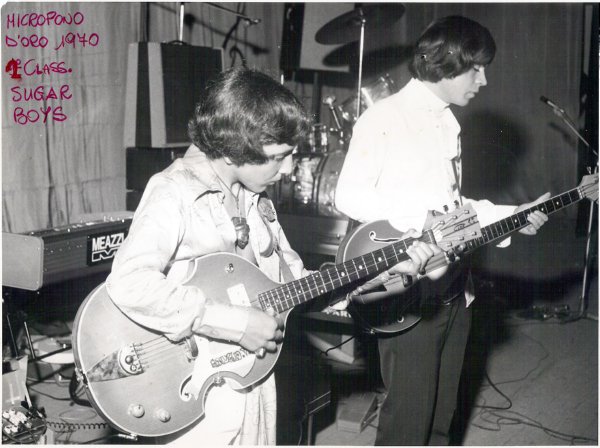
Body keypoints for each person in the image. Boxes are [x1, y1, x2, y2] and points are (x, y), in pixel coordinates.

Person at [105, 67, 438, 445]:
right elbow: (129, 282)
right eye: (278, 157)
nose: (289, 169)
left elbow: (297, 286)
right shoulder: (173, 191)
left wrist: (383, 270)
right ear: (232, 150)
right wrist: (232, 322)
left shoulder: (255, 198)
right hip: (191, 383)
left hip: (253, 378)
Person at [335, 16, 549, 445]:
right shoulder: (384, 118)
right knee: (408, 421)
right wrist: (420, 219)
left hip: (454, 287)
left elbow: (456, 209)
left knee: (441, 416)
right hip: (410, 291)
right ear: (448, 63)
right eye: (477, 68)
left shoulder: (448, 121)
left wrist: (515, 215)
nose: (484, 80)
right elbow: (348, 196)